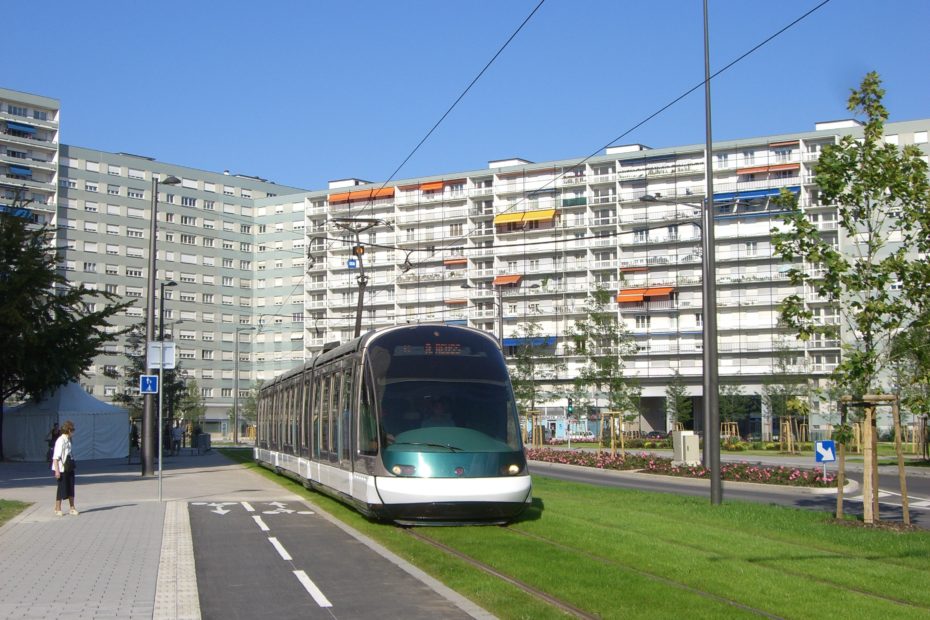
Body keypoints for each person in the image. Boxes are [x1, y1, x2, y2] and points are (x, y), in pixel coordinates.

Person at [51, 420, 77, 517]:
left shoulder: (68, 440)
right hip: (62, 468)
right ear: (69, 430)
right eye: (73, 430)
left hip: (69, 466)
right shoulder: (60, 441)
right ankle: (57, 508)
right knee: (61, 488)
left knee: (71, 486)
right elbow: (55, 457)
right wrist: (57, 471)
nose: (73, 432)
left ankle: (72, 507)